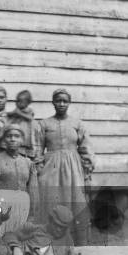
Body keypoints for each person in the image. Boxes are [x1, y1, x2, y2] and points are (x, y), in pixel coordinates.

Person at [35, 89, 95, 245]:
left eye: (65, 101)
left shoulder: (77, 124)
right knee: (51, 200)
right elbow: (37, 149)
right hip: (51, 168)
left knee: (75, 200)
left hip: (73, 168)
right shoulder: (44, 124)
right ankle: (51, 242)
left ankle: (77, 243)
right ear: (52, 102)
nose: (61, 104)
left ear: (69, 103)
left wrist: (87, 171)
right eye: (58, 100)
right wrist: (39, 168)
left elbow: (86, 149)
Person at [3, 205, 78, 255]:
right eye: (56, 225)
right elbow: (9, 235)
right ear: (50, 220)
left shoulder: (67, 240)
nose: (59, 230)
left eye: (63, 228)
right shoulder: (34, 228)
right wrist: (16, 247)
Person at [7, 90, 36, 159]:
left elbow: (30, 118)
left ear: (27, 103)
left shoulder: (29, 110)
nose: (18, 103)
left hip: (26, 136)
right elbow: (10, 114)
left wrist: (19, 113)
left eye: (21, 101)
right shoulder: (17, 110)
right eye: (17, 101)